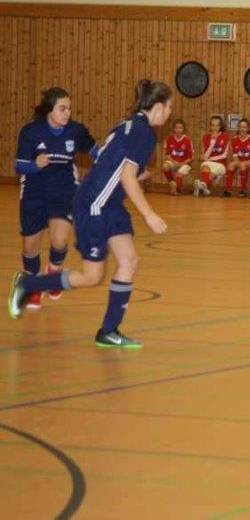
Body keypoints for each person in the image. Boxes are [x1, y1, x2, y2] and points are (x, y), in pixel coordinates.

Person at [8, 79, 171, 348]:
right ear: (158, 106)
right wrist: (149, 214)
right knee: (92, 276)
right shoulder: (144, 133)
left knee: (129, 260)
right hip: (94, 205)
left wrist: (135, 174)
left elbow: (110, 160)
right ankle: (30, 285)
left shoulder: (129, 125)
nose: (169, 113)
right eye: (169, 107)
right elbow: (127, 176)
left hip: (110, 203)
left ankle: (109, 331)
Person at [14, 87, 96, 311]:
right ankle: (33, 286)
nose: (67, 113)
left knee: (60, 240)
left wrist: (117, 165)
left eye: (69, 108)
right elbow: (19, 165)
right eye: (62, 108)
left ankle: (52, 275)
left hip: (64, 190)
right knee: (30, 246)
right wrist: (35, 165)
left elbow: (97, 152)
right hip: (34, 191)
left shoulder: (76, 131)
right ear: (50, 110)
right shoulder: (31, 132)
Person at [194, 115, 230, 197]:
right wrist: (212, 142)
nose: (214, 128)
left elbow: (224, 155)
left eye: (217, 125)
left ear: (220, 126)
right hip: (208, 162)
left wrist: (210, 158)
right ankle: (203, 187)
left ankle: (201, 186)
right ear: (210, 126)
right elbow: (205, 157)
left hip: (221, 164)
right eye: (213, 125)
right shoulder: (205, 137)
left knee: (212, 173)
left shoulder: (226, 136)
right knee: (205, 168)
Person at [162, 118, 193, 195]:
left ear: (183, 129)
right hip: (173, 162)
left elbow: (191, 157)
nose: (178, 130)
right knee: (165, 166)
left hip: (185, 163)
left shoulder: (187, 140)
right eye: (176, 128)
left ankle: (176, 189)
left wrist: (182, 163)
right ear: (173, 129)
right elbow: (167, 154)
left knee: (179, 175)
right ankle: (172, 183)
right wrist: (174, 162)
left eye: (180, 128)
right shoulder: (169, 139)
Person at [230, 118, 250, 198]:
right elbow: (235, 156)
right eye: (240, 127)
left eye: (244, 127)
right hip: (239, 161)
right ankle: (228, 190)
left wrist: (245, 163)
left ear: (248, 128)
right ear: (238, 128)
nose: (242, 129)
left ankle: (248, 190)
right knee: (230, 165)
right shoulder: (234, 139)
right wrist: (239, 163)